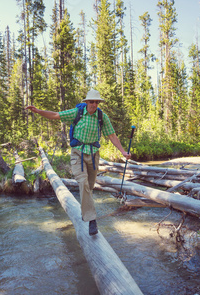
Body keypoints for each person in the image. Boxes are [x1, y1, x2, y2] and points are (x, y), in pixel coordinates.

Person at [26, 89, 131, 236]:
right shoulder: (77, 113)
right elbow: (56, 115)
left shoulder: (102, 117)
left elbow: (112, 135)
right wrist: (38, 111)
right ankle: (91, 219)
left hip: (93, 155)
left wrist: (123, 152)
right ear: (86, 102)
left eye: (96, 102)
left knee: (90, 185)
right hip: (77, 154)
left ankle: (85, 211)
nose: (94, 104)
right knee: (83, 183)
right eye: (91, 101)